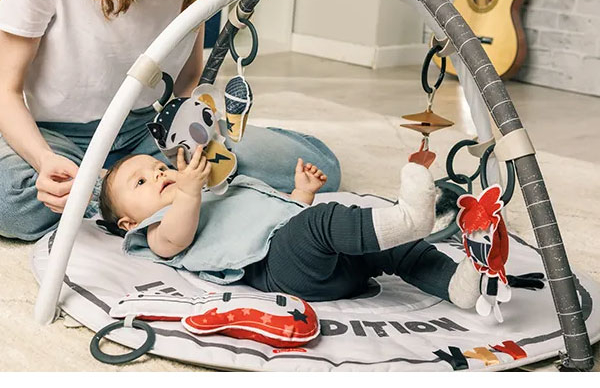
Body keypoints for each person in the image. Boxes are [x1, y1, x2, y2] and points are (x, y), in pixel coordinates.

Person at [0, 0, 340, 242]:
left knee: (320, 168)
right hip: (57, 136)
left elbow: (188, 76)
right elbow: (5, 90)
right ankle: (130, 192)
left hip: (147, 131)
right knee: (13, 203)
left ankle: (124, 195)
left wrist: (193, 134)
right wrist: (45, 160)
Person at [98, 148, 481, 305]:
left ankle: (454, 284)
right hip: (279, 271)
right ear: (129, 221)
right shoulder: (154, 232)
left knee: (392, 247)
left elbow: (276, 217)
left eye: (159, 167)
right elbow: (177, 237)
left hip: (324, 264)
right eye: (141, 182)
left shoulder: (210, 194)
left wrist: (301, 193)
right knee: (320, 224)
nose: (158, 174)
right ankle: (410, 219)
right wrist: (188, 191)